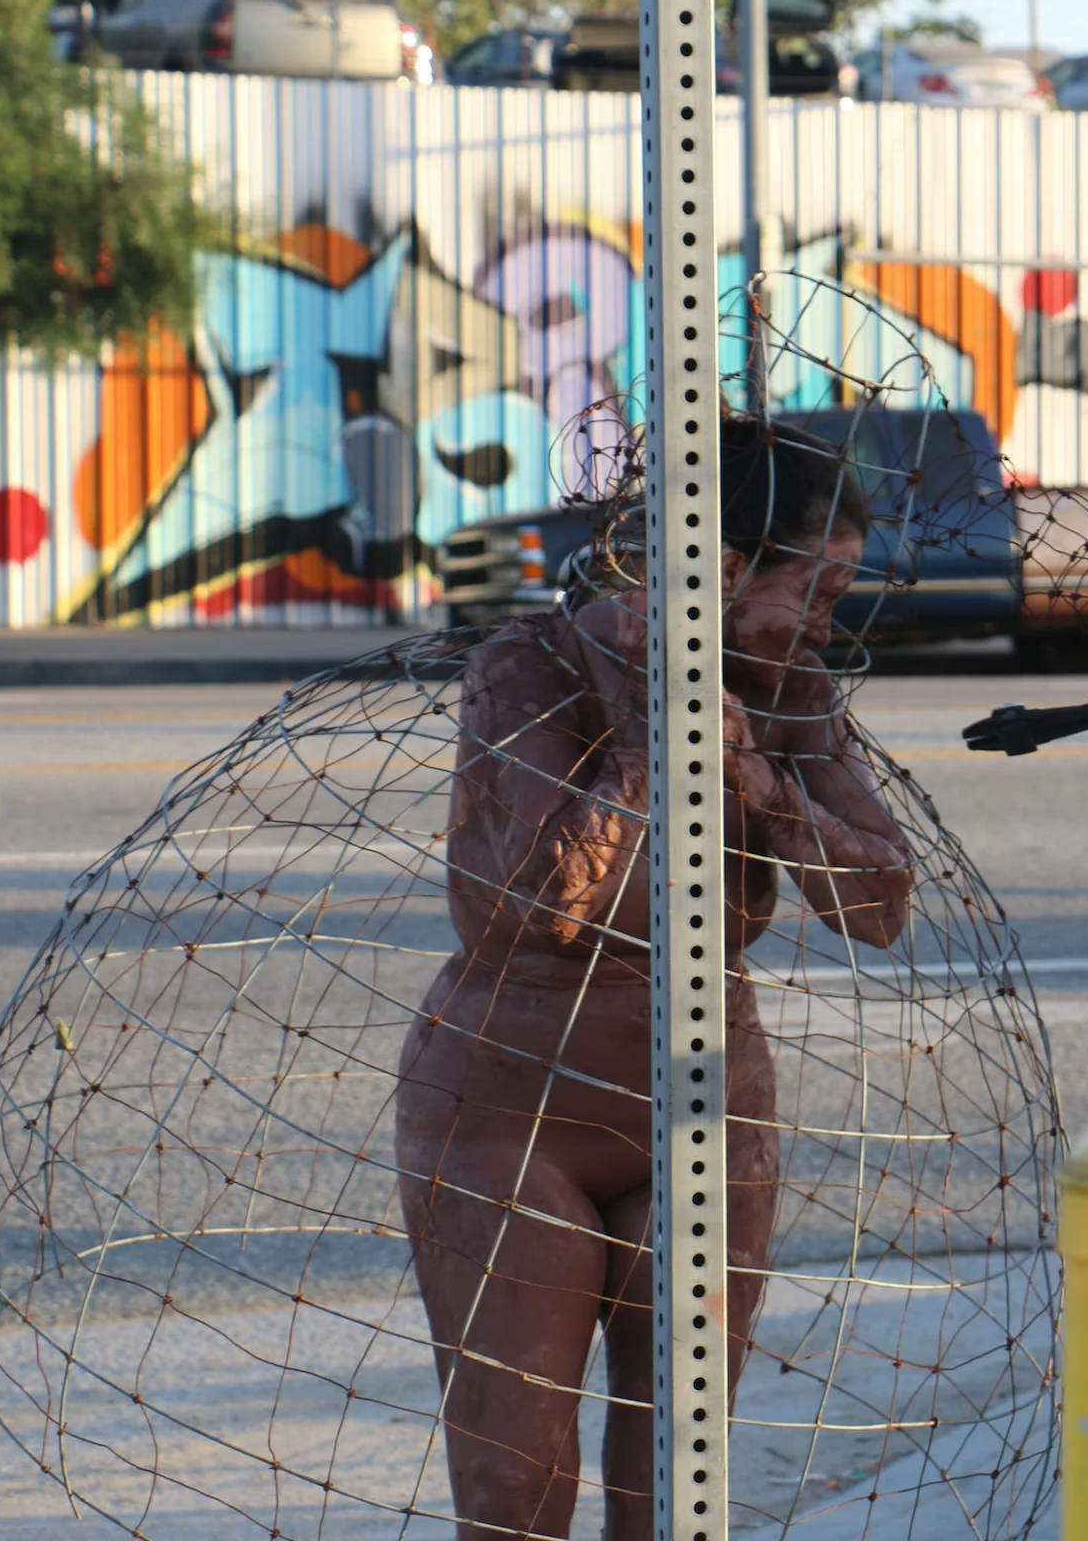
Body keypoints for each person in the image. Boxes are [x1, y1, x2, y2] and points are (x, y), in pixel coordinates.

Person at [395, 418, 914, 1540]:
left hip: (709, 1090)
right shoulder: (525, 667)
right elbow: (537, 901)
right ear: (718, 569)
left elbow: (879, 905)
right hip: (511, 1108)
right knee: (515, 1488)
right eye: (812, 588)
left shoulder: (792, 689)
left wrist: (766, 787)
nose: (825, 621)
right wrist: (651, 736)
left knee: (671, 1489)